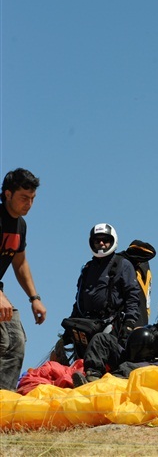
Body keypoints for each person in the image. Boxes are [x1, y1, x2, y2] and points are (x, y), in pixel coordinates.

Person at [65, 223, 140, 383]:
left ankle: (92, 378)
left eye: (105, 240)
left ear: (113, 241)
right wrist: (69, 328)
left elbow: (133, 296)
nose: (101, 244)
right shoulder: (87, 268)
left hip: (110, 327)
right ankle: (65, 379)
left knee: (99, 341)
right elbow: (79, 299)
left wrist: (129, 323)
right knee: (61, 347)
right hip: (86, 324)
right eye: (97, 240)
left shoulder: (122, 265)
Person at [0, 168, 45, 391]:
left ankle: (3, 403)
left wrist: (34, 298)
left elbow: (20, 263)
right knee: (1, 342)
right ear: (8, 194)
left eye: (32, 199)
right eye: (24, 198)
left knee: (16, 341)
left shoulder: (20, 225)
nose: (29, 204)